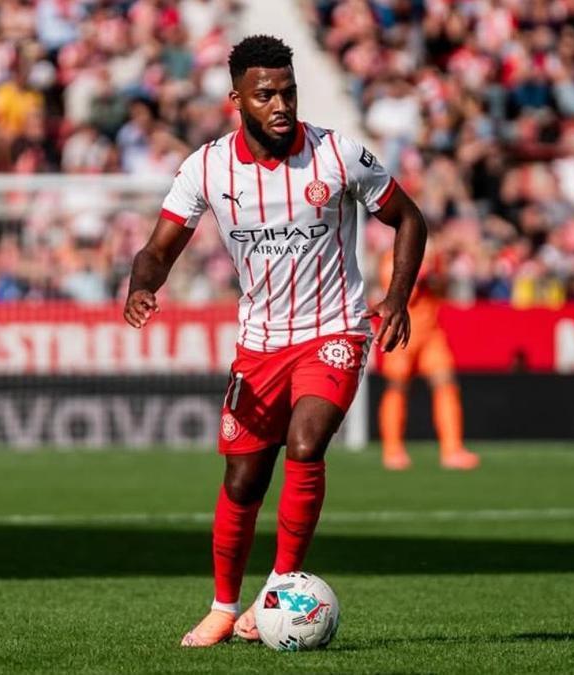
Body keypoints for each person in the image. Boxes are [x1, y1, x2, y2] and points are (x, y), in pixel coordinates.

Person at [123, 34, 428, 647]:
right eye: (266, 95)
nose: (281, 104)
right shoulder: (206, 168)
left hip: (334, 329)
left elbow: (409, 218)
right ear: (237, 98)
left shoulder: (339, 154)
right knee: (243, 481)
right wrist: (141, 286)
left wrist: (395, 298)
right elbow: (158, 250)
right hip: (259, 343)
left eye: (288, 91)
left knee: (307, 443)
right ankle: (221, 606)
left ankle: (281, 590)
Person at [376, 244, 480, 470]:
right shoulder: (391, 258)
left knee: (446, 384)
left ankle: (452, 450)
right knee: (397, 387)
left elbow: (443, 291)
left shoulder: (434, 258)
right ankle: (392, 450)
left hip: (431, 332)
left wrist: (437, 273)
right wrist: (422, 272)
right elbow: (399, 296)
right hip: (402, 330)